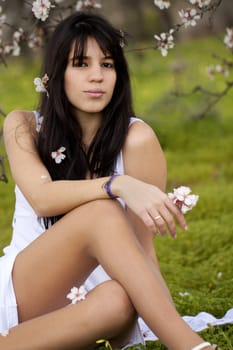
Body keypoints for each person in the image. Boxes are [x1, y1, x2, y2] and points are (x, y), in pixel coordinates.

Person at [0, 11, 216, 350]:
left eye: (109, 64)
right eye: (81, 64)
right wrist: (117, 184)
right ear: (56, 73)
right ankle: (191, 347)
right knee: (101, 211)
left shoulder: (137, 139)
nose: (97, 76)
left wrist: (157, 317)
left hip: (90, 302)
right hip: (22, 293)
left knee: (119, 300)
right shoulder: (23, 126)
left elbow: (141, 248)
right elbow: (42, 197)